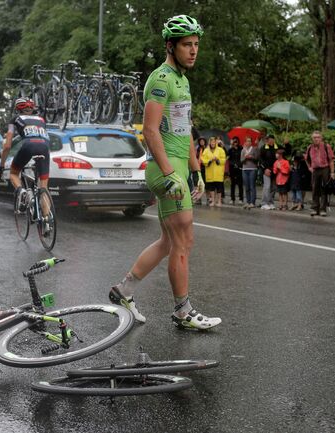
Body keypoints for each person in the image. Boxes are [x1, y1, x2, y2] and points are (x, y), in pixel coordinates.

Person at [108, 14, 220, 330]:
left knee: (168, 242)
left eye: (196, 44)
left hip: (179, 169)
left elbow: (184, 133)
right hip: (165, 170)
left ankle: (124, 290)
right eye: (187, 44)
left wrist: (196, 171)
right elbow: (151, 131)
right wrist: (173, 174)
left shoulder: (182, 81)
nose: (194, 50)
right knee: (184, 239)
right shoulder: (160, 80)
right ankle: (183, 311)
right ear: (171, 46)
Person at [0, 97, 52, 218]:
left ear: (17, 108)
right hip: (45, 147)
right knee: (44, 187)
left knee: (13, 173)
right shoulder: (41, 119)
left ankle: (21, 191)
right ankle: (47, 220)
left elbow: (7, 146)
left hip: (28, 146)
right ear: (32, 108)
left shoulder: (14, 119)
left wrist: (2, 164)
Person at [305, 130, 335, 217]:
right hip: (315, 170)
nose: (316, 139)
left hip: (325, 169)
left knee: (324, 189)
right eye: (314, 137)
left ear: (321, 138)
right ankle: (315, 208)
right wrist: (309, 167)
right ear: (312, 139)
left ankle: (322, 209)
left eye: (318, 137)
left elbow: (331, 160)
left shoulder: (326, 146)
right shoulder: (310, 147)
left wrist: (332, 172)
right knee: (315, 189)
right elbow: (306, 158)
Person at [202, 135, 226, 207]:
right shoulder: (206, 150)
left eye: (214, 142)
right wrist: (210, 160)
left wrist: (217, 159)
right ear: (209, 143)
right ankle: (212, 201)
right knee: (211, 188)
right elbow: (203, 160)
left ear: (216, 142)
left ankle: (219, 201)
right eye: (211, 142)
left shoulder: (221, 150)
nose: (212, 143)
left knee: (219, 188)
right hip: (210, 172)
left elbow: (224, 160)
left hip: (218, 172)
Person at [259, 134, 278, 210]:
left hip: (275, 170)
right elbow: (260, 160)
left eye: (269, 139)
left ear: (273, 140)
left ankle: (270, 202)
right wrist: (264, 169)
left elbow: (286, 152)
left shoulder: (277, 147)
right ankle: (264, 203)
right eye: (267, 139)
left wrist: (287, 144)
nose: (268, 140)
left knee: (273, 187)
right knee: (267, 187)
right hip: (266, 170)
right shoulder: (263, 148)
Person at [240, 136, 258, 209]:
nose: (248, 142)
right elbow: (241, 161)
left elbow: (257, 159)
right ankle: (248, 201)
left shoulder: (254, 149)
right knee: (247, 186)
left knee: (252, 186)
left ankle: (252, 202)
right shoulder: (243, 150)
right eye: (247, 141)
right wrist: (245, 158)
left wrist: (251, 157)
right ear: (245, 142)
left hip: (252, 169)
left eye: (250, 141)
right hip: (245, 169)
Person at [227, 136, 243, 205]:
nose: (235, 143)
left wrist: (239, 164)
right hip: (232, 168)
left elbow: (242, 158)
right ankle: (232, 198)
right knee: (232, 184)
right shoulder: (230, 150)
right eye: (234, 141)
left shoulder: (241, 149)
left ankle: (241, 198)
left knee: (240, 184)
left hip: (239, 168)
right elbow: (228, 158)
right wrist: (233, 164)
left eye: (236, 141)